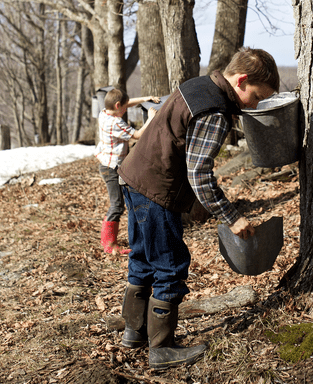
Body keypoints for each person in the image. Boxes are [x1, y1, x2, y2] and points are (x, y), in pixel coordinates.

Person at [117, 47, 279, 369]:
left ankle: (134, 334)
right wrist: (231, 217)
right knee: (170, 266)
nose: (255, 105)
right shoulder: (214, 111)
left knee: (142, 258)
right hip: (155, 190)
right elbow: (199, 174)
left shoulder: (198, 85)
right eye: (257, 97)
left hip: (133, 177)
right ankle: (161, 350)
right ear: (242, 80)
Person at [95, 88, 160, 254]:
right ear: (117, 105)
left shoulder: (104, 113)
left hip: (106, 163)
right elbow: (137, 134)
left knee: (119, 204)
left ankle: (109, 241)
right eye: (124, 108)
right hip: (111, 167)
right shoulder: (115, 123)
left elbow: (123, 103)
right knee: (117, 205)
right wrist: (150, 119)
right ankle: (109, 245)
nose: (125, 110)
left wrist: (146, 97)